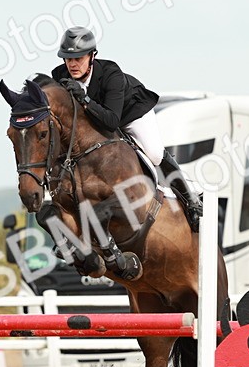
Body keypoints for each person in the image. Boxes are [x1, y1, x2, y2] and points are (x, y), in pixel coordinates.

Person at [50, 27, 202, 230]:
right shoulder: (59, 76)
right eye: (68, 59)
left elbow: (112, 121)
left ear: (92, 56)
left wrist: (84, 99)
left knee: (154, 154)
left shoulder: (111, 73)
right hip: (97, 119)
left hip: (130, 114)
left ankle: (190, 199)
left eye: (78, 58)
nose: (73, 64)